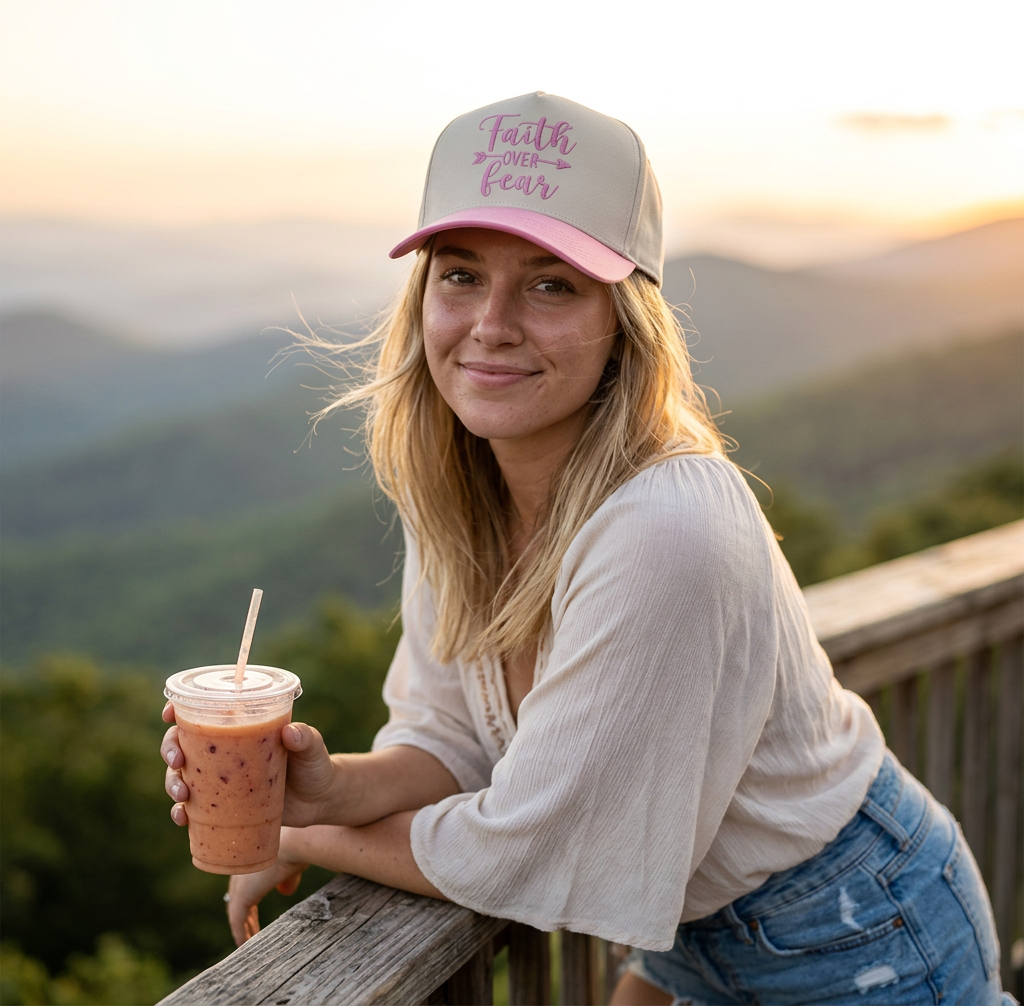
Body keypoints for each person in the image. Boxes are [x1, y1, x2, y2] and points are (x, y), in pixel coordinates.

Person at [161, 93, 1010, 1005]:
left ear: (624, 321)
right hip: (693, 941)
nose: (492, 322)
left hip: (856, 937)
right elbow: (453, 739)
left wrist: (297, 838)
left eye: (551, 281)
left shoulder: (666, 528)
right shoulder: (459, 493)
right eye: (459, 275)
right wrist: (320, 790)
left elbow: (528, 849)